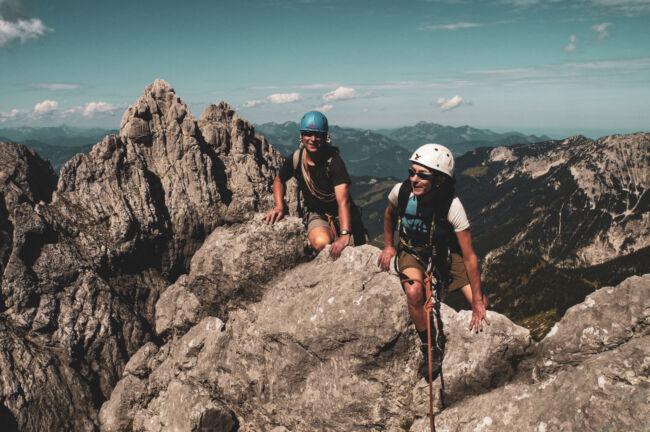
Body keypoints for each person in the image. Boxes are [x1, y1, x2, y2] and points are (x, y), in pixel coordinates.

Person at [377, 143, 489, 374]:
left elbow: (469, 256)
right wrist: (389, 246)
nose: (414, 179)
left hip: (445, 252)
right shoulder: (402, 191)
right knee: (414, 292)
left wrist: (477, 301)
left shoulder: (452, 206)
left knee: (483, 308)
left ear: (439, 180)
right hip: (412, 250)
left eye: (422, 175)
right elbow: (389, 215)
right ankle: (430, 348)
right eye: (412, 172)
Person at [264, 111, 366, 260]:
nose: (312, 139)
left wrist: (345, 234)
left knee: (355, 252)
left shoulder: (334, 162)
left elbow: (343, 201)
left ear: (325, 137)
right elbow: (279, 181)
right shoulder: (297, 159)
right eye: (308, 134)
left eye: (317, 135)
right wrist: (279, 206)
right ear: (301, 136)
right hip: (318, 214)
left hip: (344, 214)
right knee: (321, 244)